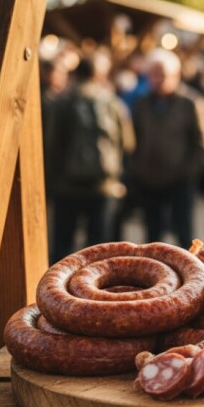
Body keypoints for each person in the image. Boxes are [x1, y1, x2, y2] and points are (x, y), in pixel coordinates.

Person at [47, 56, 134, 263]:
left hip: (66, 186)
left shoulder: (62, 102)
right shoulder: (112, 102)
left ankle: (59, 292)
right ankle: (98, 293)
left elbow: (51, 144)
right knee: (99, 249)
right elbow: (128, 143)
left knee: (63, 249)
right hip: (103, 185)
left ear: (75, 75)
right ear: (98, 75)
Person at [129, 49, 204, 247]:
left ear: (176, 76)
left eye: (163, 75)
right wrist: (138, 170)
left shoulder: (191, 102)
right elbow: (134, 139)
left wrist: (189, 172)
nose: (158, 80)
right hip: (149, 180)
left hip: (181, 181)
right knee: (152, 236)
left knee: (184, 235)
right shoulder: (141, 103)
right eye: (153, 75)